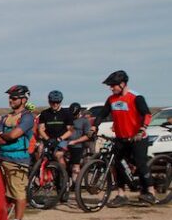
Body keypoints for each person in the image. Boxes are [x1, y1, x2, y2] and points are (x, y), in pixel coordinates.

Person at [102, 70, 156, 206]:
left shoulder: (136, 97)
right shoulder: (111, 99)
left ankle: (151, 192)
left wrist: (142, 129)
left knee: (140, 163)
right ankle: (121, 194)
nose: (111, 88)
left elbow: (147, 114)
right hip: (121, 138)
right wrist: (94, 127)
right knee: (118, 164)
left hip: (137, 137)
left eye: (113, 85)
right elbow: (102, 114)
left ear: (122, 84)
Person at [0, 84, 35, 220]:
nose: (11, 100)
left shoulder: (27, 117)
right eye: (10, 97)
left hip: (18, 161)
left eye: (14, 98)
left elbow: (14, 135)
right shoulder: (6, 117)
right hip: (2, 158)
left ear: (23, 100)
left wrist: (1, 137)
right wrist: (3, 137)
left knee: (18, 192)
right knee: (4, 193)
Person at [37, 90, 74, 180]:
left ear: (60, 102)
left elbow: (70, 130)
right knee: (39, 151)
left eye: (57, 102)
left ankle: (64, 177)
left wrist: (60, 139)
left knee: (58, 155)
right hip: (49, 138)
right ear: (49, 102)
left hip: (62, 139)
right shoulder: (44, 113)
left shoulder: (66, 113)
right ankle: (41, 174)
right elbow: (41, 129)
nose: (55, 104)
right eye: (52, 102)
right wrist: (47, 138)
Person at [66, 103, 94, 181]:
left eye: (75, 115)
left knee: (75, 166)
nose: (73, 116)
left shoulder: (84, 121)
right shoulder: (67, 120)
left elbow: (88, 136)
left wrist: (75, 141)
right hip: (66, 146)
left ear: (79, 112)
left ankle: (75, 184)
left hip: (77, 146)